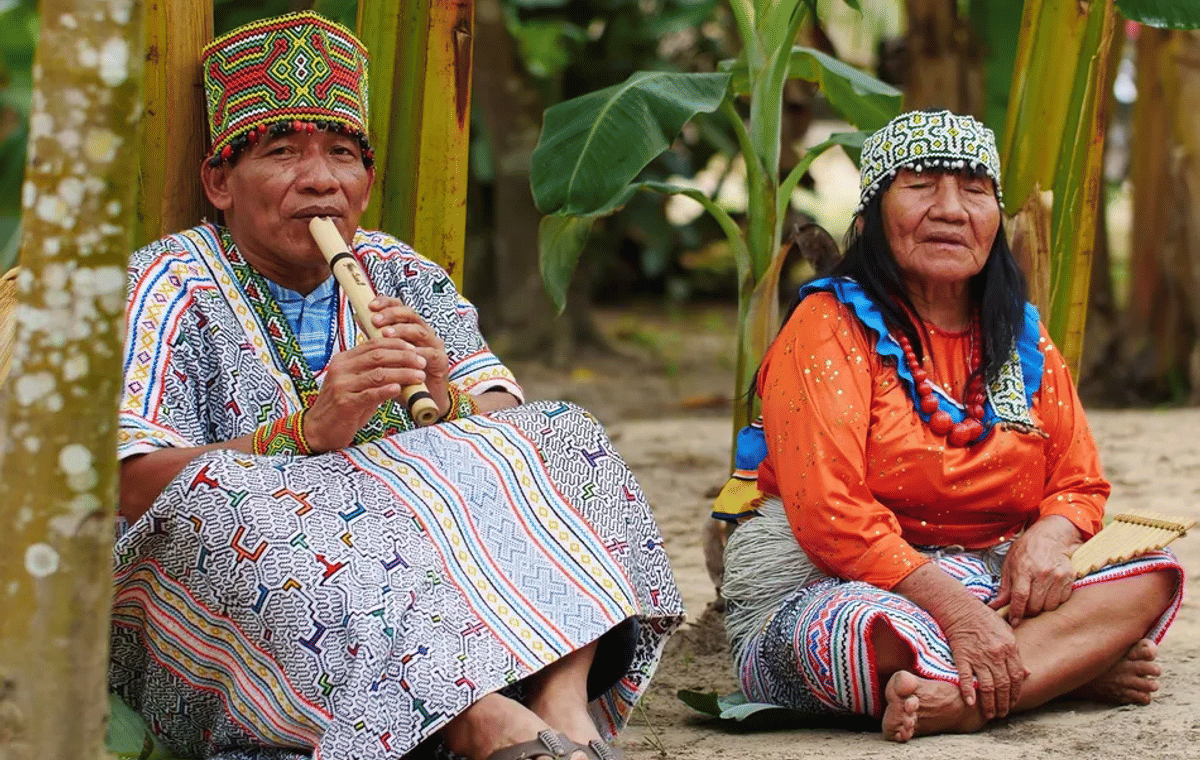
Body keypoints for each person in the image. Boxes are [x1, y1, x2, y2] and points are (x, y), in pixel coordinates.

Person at [112, 12, 683, 760]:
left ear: (366, 181)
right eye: (282, 152)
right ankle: (477, 722)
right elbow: (130, 484)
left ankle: (560, 704)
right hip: (245, 598)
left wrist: (447, 404)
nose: (321, 180)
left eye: (342, 155)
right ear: (220, 182)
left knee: (560, 433)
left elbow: (505, 415)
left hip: (419, 576)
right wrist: (302, 435)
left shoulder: (399, 270)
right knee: (224, 500)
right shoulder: (162, 283)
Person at [718, 110, 1184, 742]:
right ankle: (1059, 669)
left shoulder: (1020, 335)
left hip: (994, 578)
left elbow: (1078, 485)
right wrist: (959, 613)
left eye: (973, 190)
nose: (950, 210)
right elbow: (831, 514)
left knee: (1151, 575)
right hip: (843, 582)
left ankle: (967, 699)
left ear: (995, 217)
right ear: (871, 218)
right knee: (867, 633)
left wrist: (1046, 541)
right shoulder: (825, 326)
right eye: (919, 186)